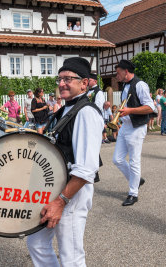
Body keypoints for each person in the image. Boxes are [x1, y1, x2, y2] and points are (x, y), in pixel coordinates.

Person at [27, 57, 103, 266]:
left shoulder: (86, 112)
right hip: (56, 189)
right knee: (36, 243)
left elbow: (86, 169)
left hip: (71, 193)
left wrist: (60, 201)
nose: (61, 84)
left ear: (84, 83)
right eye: (60, 78)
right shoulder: (64, 109)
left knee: (71, 255)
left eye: (68, 78)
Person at [112, 60, 155, 206]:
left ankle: (133, 193)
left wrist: (130, 111)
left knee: (134, 161)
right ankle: (136, 179)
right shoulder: (124, 85)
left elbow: (150, 107)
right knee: (117, 159)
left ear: (126, 71)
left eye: (118, 72)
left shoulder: (140, 84)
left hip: (137, 127)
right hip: (126, 126)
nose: (116, 75)